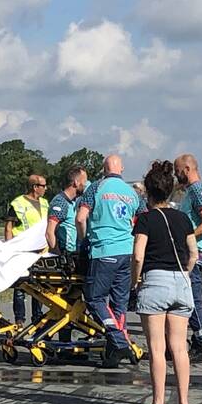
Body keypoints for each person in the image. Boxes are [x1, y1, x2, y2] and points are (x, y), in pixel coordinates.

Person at [131, 160, 197, 404]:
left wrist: (135, 281)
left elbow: (138, 255)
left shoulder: (145, 220)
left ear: (147, 192)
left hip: (155, 281)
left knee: (157, 348)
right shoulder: (182, 219)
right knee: (179, 347)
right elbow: (193, 253)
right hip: (180, 281)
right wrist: (186, 273)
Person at [75, 155, 142, 368]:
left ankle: (119, 340)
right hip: (127, 252)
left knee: (94, 299)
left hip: (104, 250)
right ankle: (114, 352)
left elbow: (80, 217)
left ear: (104, 169)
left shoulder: (96, 188)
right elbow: (141, 218)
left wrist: (83, 240)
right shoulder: (132, 192)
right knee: (119, 303)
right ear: (121, 168)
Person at [174, 153, 202, 363]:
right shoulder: (190, 191)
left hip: (193, 252)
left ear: (187, 169)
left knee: (193, 297)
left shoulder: (198, 190)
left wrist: (188, 236)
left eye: (177, 171)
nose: (176, 175)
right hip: (190, 250)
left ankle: (200, 341)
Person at [5, 174, 49, 327]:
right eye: (43, 185)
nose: (46, 188)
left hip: (40, 250)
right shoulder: (18, 203)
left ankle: (37, 317)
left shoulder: (45, 203)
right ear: (35, 187)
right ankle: (19, 320)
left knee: (38, 285)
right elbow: (9, 227)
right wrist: (9, 248)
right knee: (20, 286)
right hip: (22, 249)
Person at [46, 167, 88, 256]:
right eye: (84, 181)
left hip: (73, 254)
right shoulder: (60, 202)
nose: (85, 185)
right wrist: (59, 257)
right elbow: (49, 233)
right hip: (65, 254)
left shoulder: (73, 202)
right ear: (76, 182)